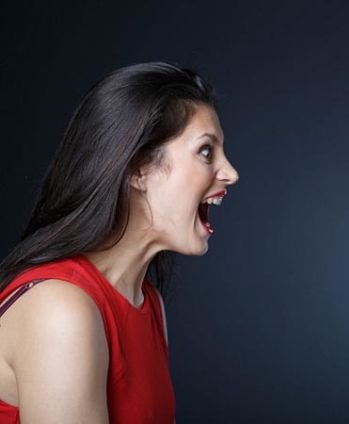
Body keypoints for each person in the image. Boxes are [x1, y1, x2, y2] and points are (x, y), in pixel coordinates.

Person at [0, 62, 238, 423]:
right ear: (140, 168)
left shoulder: (149, 304)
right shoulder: (60, 309)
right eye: (206, 151)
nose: (230, 173)